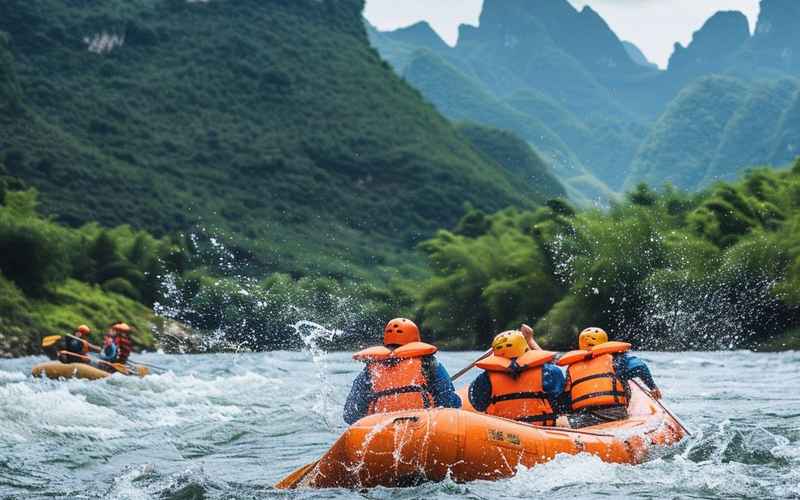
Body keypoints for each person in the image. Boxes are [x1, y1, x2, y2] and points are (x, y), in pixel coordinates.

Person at [343, 318, 461, 424]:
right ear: (415, 341)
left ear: (386, 342)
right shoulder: (428, 363)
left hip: (380, 429)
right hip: (421, 427)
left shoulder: (371, 370)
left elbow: (350, 414)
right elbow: (449, 403)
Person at [557, 327, 662, 428]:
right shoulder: (617, 358)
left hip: (585, 418)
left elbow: (565, 399)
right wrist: (653, 387)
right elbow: (640, 367)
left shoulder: (571, 368)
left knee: (560, 422)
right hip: (616, 414)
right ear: (604, 342)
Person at [468, 330, 565, 425]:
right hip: (542, 429)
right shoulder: (548, 371)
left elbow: (478, 405)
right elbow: (562, 403)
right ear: (525, 349)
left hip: (503, 432)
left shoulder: (485, 378)